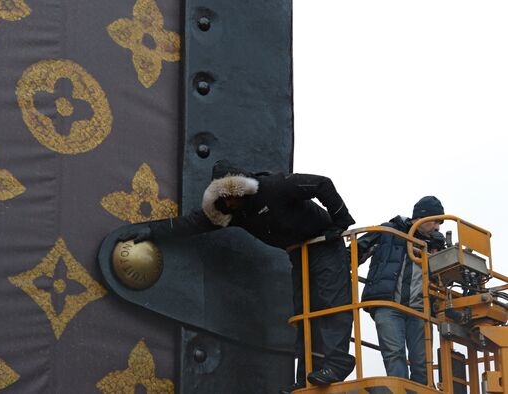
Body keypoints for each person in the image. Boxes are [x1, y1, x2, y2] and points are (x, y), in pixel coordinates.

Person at [117, 160, 357, 392]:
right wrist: (152, 231)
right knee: (305, 312)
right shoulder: (234, 214)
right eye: (223, 200)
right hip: (298, 252)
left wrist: (341, 220)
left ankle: (337, 363)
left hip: (324, 243)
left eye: (230, 196)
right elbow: (191, 224)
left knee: (330, 302)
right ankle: (307, 377)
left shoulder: (274, 187)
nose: (229, 203)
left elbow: (321, 184)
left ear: (240, 189)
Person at [355, 196, 445, 385]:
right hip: (388, 304)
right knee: (394, 354)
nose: (438, 227)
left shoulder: (436, 245)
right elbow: (354, 251)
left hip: (420, 309)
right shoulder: (388, 231)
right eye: (436, 221)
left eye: (440, 223)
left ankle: (420, 390)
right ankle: (400, 389)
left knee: (422, 362)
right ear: (422, 217)